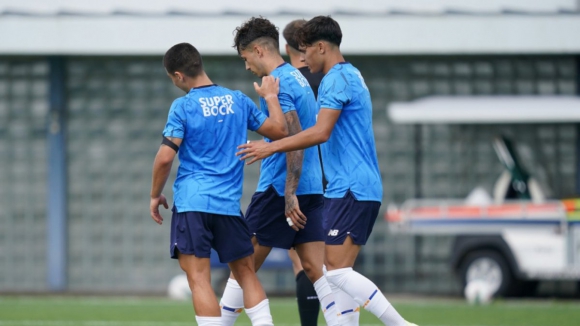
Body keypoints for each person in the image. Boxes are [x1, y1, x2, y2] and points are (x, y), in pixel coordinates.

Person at [236, 16, 418, 326]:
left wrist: (270, 147)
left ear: (322, 47)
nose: (303, 59)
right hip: (344, 186)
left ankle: (402, 325)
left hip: (351, 186)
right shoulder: (351, 75)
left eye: (306, 51)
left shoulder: (335, 79)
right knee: (332, 276)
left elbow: (320, 133)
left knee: (335, 271)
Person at [149, 42, 289, 326]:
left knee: (199, 279)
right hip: (228, 205)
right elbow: (280, 132)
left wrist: (154, 195)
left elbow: (165, 158)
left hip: (193, 203)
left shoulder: (183, 106)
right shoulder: (238, 100)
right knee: (246, 273)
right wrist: (271, 97)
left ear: (178, 75)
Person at [219, 17, 341, 326]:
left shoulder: (276, 83)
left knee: (242, 267)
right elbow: (292, 134)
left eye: (245, 58)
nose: (246, 67)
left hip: (280, 189)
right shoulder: (296, 76)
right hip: (312, 187)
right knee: (316, 270)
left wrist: (288, 193)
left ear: (258, 50)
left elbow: (293, 135)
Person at [282, 18, 329, 326]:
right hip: (333, 179)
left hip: (303, 177)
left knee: (304, 264)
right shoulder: (328, 79)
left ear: (287, 48)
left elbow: (289, 135)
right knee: (327, 266)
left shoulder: (291, 83)